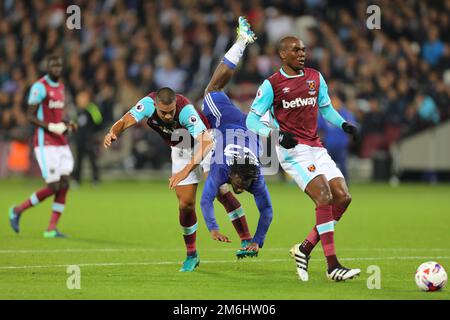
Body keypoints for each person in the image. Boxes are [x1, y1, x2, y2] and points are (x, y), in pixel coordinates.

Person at [103, 71, 250, 271]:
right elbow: (126, 119)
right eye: (163, 112)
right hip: (180, 148)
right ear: (155, 106)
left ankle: (246, 239)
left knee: (220, 190)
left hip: (206, 142)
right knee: (186, 204)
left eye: (171, 111)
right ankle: (191, 255)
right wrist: (113, 132)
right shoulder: (146, 104)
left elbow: (205, 142)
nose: (167, 115)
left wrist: (185, 172)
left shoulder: (185, 110)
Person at [246, 36, 361, 282]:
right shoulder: (272, 85)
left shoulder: (315, 77)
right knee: (324, 196)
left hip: (316, 148)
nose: (301, 53)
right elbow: (251, 120)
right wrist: (275, 135)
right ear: (282, 55)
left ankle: (304, 248)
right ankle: (332, 267)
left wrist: (343, 124)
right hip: (292, 151)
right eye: (295, 50)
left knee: (343, 197)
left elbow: (326, 108)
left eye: (303, 49)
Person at [176, 17, 273, 257]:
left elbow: (267, 211)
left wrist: (259, 242)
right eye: (239, 183)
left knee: (211, 90)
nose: (240, 187)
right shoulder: (222, 167)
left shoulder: (254, 177)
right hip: (228, 120)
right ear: (232, 173)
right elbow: (204, 200)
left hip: (244, 130)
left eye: (243, 184)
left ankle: (241, 40)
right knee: (212, 90)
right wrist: (213, 228)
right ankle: (242, 41)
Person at [9, 55, 76, 238]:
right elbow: (30, 115)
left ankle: (51, 228)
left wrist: (68, 123)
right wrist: (51, 127)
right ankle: (17, 210)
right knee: (54, 185)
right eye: (53, 65)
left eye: (59, 65)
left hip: (61, 142)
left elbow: (56, 115)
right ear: (47, 67)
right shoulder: (39, 87)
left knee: (65, 183)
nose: (56, 69)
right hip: (45, 142)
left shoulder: (61, 88)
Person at [317, 92, 357, 180]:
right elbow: (318, 128)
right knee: (326, 168)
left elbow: (352, 126)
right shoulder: (325, 115)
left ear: (340, 102)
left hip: (342, 146)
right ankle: (328, 186)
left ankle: (345, 188)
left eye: (336, 101)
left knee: (343, 168)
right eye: (332, 101)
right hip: (329, 145)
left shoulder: (345, 114)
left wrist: (351, 139)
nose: (334, 103)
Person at [72, 89, 103, 185]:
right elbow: (74, 123)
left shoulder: (92, 108)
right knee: (78, 160)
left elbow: (98, 121)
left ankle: (95, 179)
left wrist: (93, 133)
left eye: (82, 98)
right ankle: (76, 180)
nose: (81, 100)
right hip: (79, 139)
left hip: (89, 139)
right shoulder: (77, 110)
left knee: (92, 160)